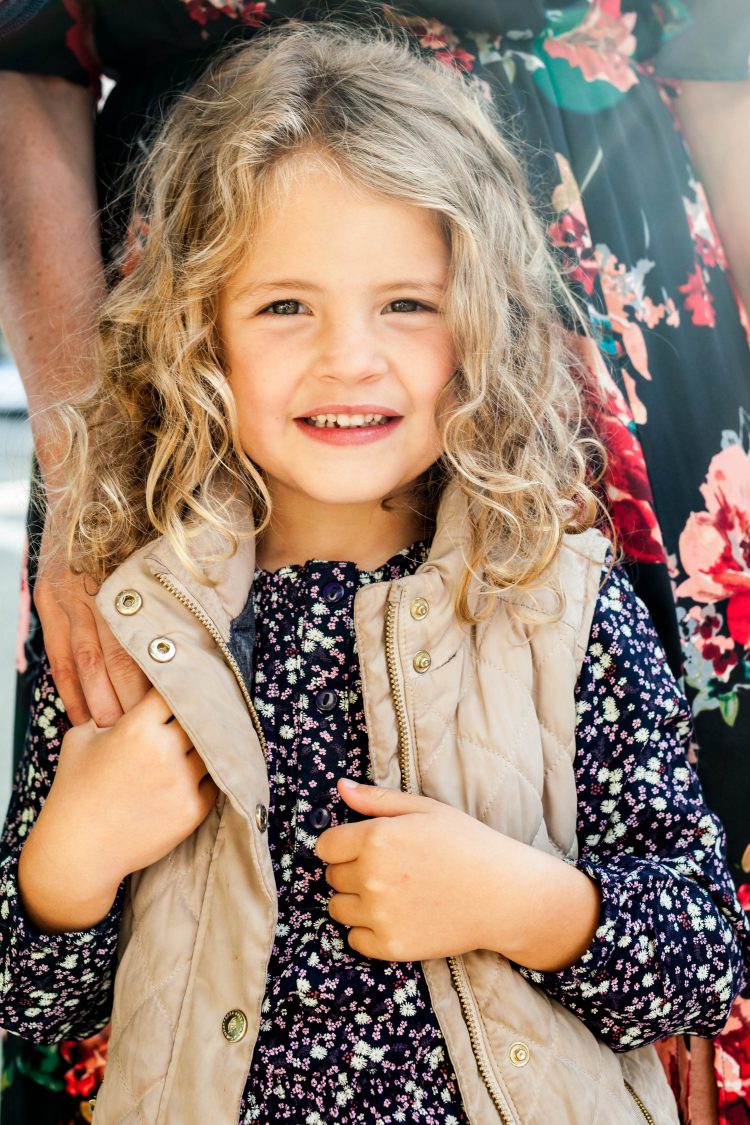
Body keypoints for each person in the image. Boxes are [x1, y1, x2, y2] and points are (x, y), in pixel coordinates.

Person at [0, 22, 748, 1124]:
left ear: (484, 327)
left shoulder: (567, 608)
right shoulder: (145, 627)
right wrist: (66, 868)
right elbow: (33, 1004)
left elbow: (701, 957)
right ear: (194, 335)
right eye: (284, 305)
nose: (349, 357)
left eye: (407, 303)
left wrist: (530, 906)